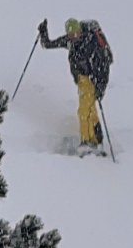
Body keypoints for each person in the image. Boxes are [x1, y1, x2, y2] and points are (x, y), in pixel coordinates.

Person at [38, 17, 113, 151]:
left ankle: (87, 141)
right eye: (70, 35)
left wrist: (101, 87)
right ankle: (96, 138)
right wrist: (43, 33)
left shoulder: (91, 42)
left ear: (80, 31)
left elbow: (104, 66)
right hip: (82, 80)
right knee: (89, 109)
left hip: (93, 79)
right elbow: (48, 44)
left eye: (76, 33)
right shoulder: (70, 41)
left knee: (84, 111)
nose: (73, 37)